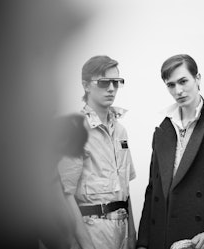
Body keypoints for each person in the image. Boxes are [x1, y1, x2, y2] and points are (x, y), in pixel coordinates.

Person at [137, 54, 204, 249]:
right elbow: (152, 190)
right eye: (171, 85)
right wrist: (143, 242)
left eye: (183, 81)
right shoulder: (162, 128)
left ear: (198, 79)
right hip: (160, 237)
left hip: (199, 237)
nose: (178, 91)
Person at [58, 55, 136, 249]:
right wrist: (86, 246)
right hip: (92, 231)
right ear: (86, 85)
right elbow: (65, 195)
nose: (111, 88)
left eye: (116, 83)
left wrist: (134, 236)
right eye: (103, 82)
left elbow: (125, 189)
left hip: (123, 232)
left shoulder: (121, 131)